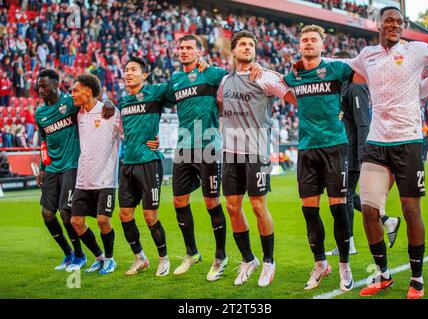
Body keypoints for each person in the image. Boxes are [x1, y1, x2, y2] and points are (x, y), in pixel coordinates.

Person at [346, 6, 428, 299]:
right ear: (378, 25)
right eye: (389, 20)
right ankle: (383, 275)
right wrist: (305, 65)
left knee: (410, 209)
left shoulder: (416, 50)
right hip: (377, 142)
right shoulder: (367, 55)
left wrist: (425, 87)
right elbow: (342, 64)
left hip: (408, 141)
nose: (394, 24)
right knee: (369, 209)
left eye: (399, 21)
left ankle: (416, 279)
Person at [164, 34, 262, 281]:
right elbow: (155, 101)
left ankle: (221, 257)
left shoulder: (214, 73)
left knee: (211, 203)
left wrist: (255, 67)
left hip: (209, 146)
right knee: (178, 201)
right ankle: (192, 253)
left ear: (200, 51)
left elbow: (238, 75)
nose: (184, 51)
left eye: (189, 48)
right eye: (181, 48)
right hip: (184, 147)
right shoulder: (175, 80)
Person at [285, 24, 363, 292]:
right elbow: (275, 84)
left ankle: (344, 265)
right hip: (307, 149)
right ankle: (320, 264)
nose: (308, 43)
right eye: (304, 40)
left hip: (334, 147)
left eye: (313, 40)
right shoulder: (293, 75)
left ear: (322, 45)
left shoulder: (336, 69)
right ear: (299, 46)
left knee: (338, 208)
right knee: (309, 211)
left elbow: (364, 76)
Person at [217, 30, 295, 287]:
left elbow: (293, 94)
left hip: (257, 151)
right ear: (234, 50)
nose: (247, 48)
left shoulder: (264, 77)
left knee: (258, 207)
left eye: (251, 45)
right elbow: (220, 106)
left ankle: (269, 261)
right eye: (242, 44)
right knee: (231, 207)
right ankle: (248, 259)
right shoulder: (224, 81)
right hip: (230, 152)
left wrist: (273, 70)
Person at [34, 69, 115, 272]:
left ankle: (81, 256)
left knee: (65, 212)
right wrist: (43, 167)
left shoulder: (70, 103)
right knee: (47, 214)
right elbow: (44, 141)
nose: (40, 89)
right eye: (38, 86)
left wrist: (108, 102)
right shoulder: (40, 113)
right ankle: (68, 253)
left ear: (56, 85)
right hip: (52, 167)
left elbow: (91, 100)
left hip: (72, 165)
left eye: (44, 86)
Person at [326, 51, 401, 257]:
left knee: (344, 196)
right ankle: (386, 219)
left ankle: (348, 243)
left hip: (354, 153)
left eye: (337, 64)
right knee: (346, 195)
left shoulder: (356, 87)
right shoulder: (341, 87)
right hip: (343, 151)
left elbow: (362, 123)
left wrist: (363, 156)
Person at [117, 57, 170, 277]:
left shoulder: (155, 92)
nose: (128, 73)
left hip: (148, 162)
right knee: (124, 215)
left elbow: (177, 96)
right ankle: (140, 258)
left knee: (150, 216)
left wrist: (160, 139)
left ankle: (163, 258)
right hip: (127, 163)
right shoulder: (122, 101)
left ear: (144, 75)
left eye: (133, 70)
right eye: (126, 70)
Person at [70, 74, 120, 275]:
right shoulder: (79, 114)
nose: (72, 94)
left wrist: (152, 141)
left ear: (88, 91)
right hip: (83, 179)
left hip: (106, 179)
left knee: (102, 221)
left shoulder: (109, 112)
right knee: (76, 222)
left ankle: (110, 259)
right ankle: (99, 258)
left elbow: (127, 134)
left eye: (76, 90)